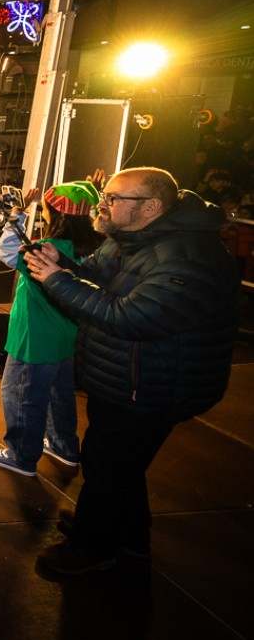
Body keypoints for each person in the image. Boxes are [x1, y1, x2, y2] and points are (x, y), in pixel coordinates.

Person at [25, 167, 239, 575]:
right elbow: (101, 280)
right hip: (128, 377)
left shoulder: (188, 256)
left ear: (151, 207)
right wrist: (63, 264)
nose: (100, 205)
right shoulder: (134, 239)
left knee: (109, 464)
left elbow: (132, 317)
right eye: (104, 196)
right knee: (119, 465)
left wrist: (58, 282)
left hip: (156, 386)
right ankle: (127, 537)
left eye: (112, 199)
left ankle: (93, 546)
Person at [0, 182, 100, 476]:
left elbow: (8, 252)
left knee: (21, 397)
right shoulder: (93, 247)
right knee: (60, 396)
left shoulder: (52, 249)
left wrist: (18, 214)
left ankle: (21, 455)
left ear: (55, 214)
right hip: (65, 337)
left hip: (33, 339)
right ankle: (64, 447)